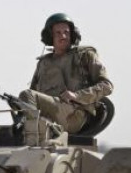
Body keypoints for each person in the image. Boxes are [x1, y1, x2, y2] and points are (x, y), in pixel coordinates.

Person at [19, 13, 113, 144]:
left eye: (66, 32)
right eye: (58, 33)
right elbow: (32, 99)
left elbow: (107, 86)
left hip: (73, 114)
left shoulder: (84, 56)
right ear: (50, 37)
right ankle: (37, 136)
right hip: (50, 115)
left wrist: (77, 96)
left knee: (26, 95)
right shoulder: (43, 63)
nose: (63, 36)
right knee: (22, 103)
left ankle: (33, 143)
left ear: (72, 35)